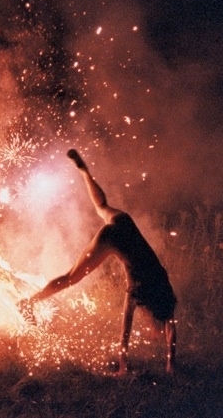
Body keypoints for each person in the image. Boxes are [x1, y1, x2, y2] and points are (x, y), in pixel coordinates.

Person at [18, 149, 177, 374]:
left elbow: (171, 327)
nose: (152, 332)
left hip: (124, 222)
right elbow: (126, 328)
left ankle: (84, 172)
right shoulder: (138, 289)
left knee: (102, 207)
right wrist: (123, 364)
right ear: (152, 315)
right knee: (71, 278)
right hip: (112, 238)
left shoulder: (164, 289)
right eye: (153, 328)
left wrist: (171, 363)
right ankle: (29, 302)